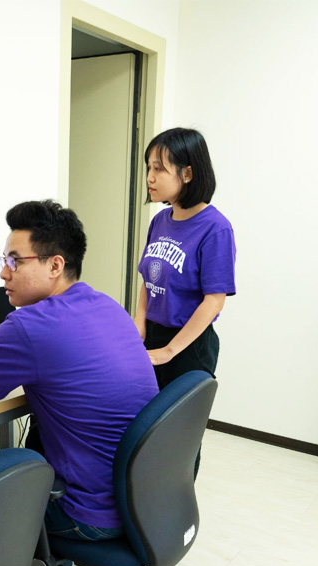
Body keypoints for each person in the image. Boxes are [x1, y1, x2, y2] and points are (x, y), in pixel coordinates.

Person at [0, 200, 157, 541]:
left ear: (55, 265)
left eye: (15, 261)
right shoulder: (106, 305)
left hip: (87, 514)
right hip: (138, 503)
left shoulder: (30, 326)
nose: (3, 273)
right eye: (4, 261)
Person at [134, 127, 236, 389]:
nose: (150, 177)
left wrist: (169, 351)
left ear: (187, 174)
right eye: (149, 168)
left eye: (159, 169)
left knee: (173, 417)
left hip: (188, 346)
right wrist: (139, 325)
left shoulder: (216, 228)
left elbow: (214, 301)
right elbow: (149, 280)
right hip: (152, 338)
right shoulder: (159, 221)